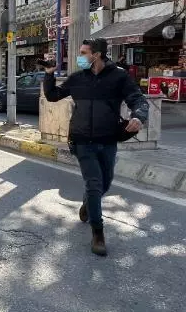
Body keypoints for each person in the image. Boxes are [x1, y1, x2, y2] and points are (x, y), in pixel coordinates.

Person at [43, 38, 148, 257]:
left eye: (83, 53)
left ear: (97, 54)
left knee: (105, 183)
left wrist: (138, 116)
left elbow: (137, 99)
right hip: (82, 140)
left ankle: (88, 205)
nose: (79, 57)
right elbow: (53, 96)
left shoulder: (118, 76)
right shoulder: (77, 78)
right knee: (93, 183)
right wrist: (49, 73)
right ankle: (98, 233)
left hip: (108, 140)